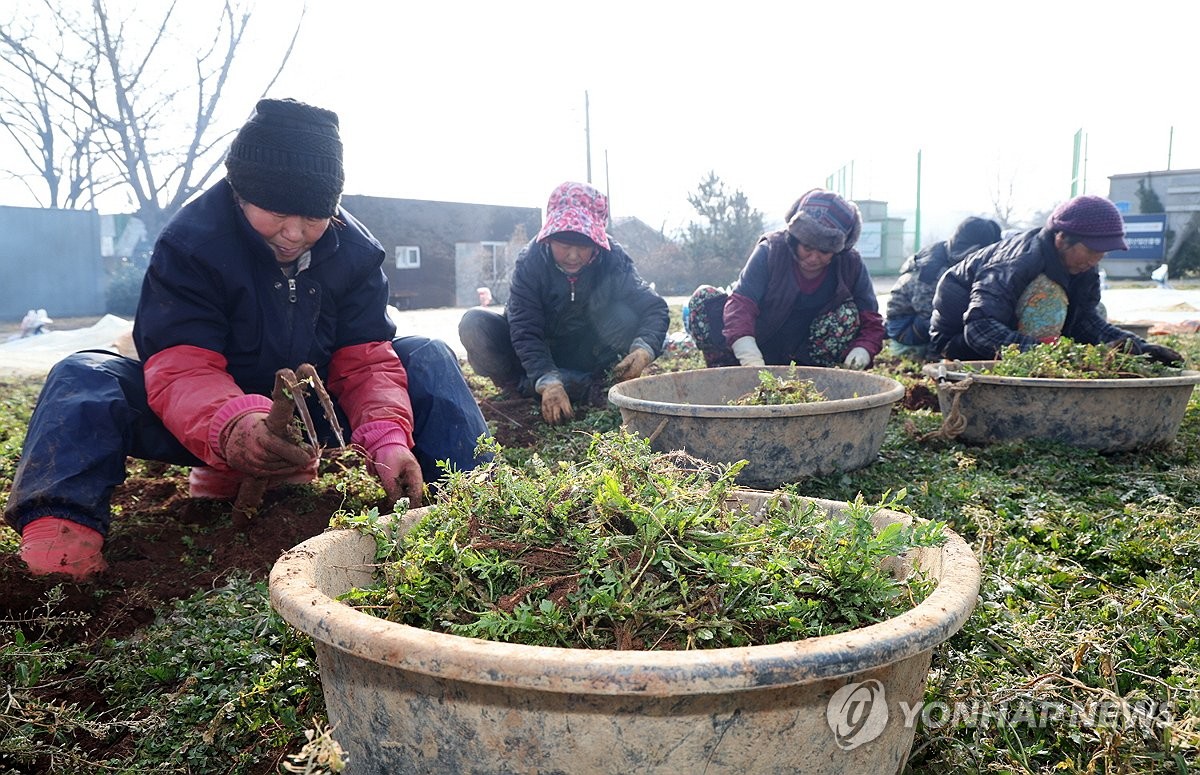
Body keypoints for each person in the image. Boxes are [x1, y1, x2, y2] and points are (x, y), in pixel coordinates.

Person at [5, 98, 491, 580]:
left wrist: (386, 434)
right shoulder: (192, 242)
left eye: (315, 216)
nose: (295, 233)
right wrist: (233, 425)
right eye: (277, 212)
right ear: (240, 191)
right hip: (201, 422)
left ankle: (484, 511)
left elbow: (365, 362)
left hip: (311, 415)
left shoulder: (355, 253)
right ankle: (60, 545)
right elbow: (181, 363)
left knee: (426, 355)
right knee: (84, 376)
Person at [458, 181, 669, 425]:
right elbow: (525, 329)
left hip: (585, 351)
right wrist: (547, 379)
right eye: (564, 245)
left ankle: (592, 383)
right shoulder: (531, 261)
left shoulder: (612, 258)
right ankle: (520, 386)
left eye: (583, 247)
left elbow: (654, 307)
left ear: (596, 243)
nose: (572, 255)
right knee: (475, 323)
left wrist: (644, 349)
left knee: (626, 315)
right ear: (549, 239)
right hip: (531, 355)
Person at [928, 194, 1183, 365]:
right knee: (1047, 293)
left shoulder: (1083, 267)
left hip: (1011, 333)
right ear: (1061, 238)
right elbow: (980, 328)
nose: (1097, 259)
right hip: (958, 341)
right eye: (1092, 250)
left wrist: (1138, 348)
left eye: (1103, 253)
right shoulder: (1017, 262)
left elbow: (1085, 321)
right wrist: (1053, 355)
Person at [685, 188, 885, 370]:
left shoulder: (851, 265)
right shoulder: (771, 250)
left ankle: (814, 374)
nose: (814, 258)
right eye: (807, 247)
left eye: (824, 252)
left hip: (805, 350)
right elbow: (741, 304)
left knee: (847, 315)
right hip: (759, 335)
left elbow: (871, 319)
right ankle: (726, 369)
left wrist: (863, 349)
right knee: (704, 299)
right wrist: (749, 356)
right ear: (795, 238)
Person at [885, 216, 1002, 358]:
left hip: (919, 318)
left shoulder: (949, 252)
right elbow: (933, 314)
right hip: (905, 325)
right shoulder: (932, 270)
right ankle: (932, 354)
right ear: (975, 250)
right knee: (956, 324)